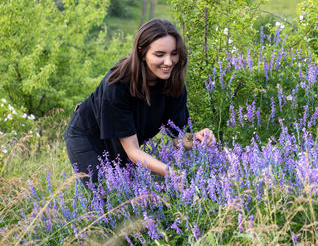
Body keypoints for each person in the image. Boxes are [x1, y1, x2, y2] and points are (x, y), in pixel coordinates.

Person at [64, 18, 215, 185]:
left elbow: (179, 138)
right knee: (105, 194)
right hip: (88, 136)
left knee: (131, 195)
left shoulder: (173, 84)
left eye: (174, 53)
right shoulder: (117, 86)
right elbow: (133, 151)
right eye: (159, 54)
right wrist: (171, 173)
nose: (169, 62)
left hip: (125, 142)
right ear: (142, 52)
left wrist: (198, 138)